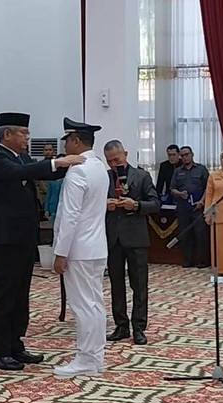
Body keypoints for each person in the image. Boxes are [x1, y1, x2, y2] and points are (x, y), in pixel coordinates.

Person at [0, 112, 84, 371]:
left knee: (20, 294)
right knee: (4, 294)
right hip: (6, 241)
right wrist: (60, 162)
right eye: (23, 133)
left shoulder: (21, 157)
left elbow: (41, 173)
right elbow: (25, 171)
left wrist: (77, 166)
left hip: (23, 239)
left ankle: (15, 345)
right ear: (7, 134)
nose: (27, 138)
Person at [52, 118, 109, 377]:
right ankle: (95, 356)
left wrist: (60, 253)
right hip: (97, 247)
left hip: (79, 249)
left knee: (83, 305)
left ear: (75, 141)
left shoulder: (78, 170)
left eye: (67, 140)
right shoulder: (99, 167)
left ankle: (86, 358)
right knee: (94, 303)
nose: (65, 145)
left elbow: (69, 216)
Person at [104, 140, 160, 345]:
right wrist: (105, 205)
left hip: (136, 237)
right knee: (116, 284)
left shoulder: (142, 176)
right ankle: (121, 326)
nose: (114, 164)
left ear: (125, 154)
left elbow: (155, 203)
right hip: (113, 238)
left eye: (116, 159)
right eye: (109, 161)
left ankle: (139, 327)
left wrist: (135, 205)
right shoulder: (105, 177)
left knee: (139, 285)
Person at [169, 146, 210, 268]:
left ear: (192, 154)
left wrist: (202, 202)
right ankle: (188, 260)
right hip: (183, 207)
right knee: (185, 234)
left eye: (187, 154)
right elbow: (172, 189)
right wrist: (179, 194)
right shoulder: (177, 171)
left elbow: (208, 188)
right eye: (182, 156)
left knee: (200, 233)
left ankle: (202, 260)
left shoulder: (201, 169)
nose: (185, 157)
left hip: (198, 207)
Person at [36, 144, 55, 217]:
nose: (48, 152)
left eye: (50, 150)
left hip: (55, 194)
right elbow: (37, 181)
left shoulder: (58, 164)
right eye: (46, 150)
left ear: (53, 151)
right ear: (43, 152)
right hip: (42, 195)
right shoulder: (39, 165)